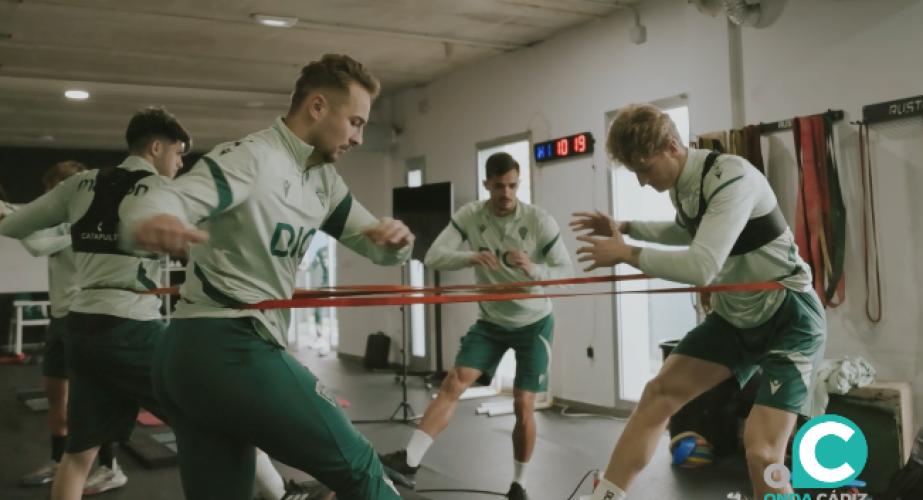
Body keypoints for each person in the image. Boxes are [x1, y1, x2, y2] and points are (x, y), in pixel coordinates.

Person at [120, 54, 412, 500]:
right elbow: (170, 199)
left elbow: (372, 244)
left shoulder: (323, 181)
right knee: (359, 466)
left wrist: (396, 241)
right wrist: (151, 219)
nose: (358, 137)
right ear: (317, 106)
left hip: (191, 360)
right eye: (354, 122)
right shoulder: (254, 158)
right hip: (227, 345)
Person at [571, 103, 826, 500]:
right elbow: (685, 229)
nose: (641, 181)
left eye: (644, 169)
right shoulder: (684, 185)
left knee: (761, 454)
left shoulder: (732, 179)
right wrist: (626, 227)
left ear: (672, 147)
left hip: (788, 317)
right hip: (736, 317)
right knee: (658, 394)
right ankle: (605, 496)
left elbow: (702, 266)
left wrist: (627, 253)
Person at [379, 152, 572, 500]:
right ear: (487, 185)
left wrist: (535, 269)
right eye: (499, 186)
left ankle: (519, 484)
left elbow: (566, 272)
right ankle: (409, 462)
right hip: (492, 321)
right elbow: (434, 256)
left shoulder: (539, 220)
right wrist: (470, 256)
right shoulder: (470, 217)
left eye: (513, 185)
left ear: (519, 183)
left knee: (522, 405)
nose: (507, 193)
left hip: (534, 323)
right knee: (454, 382)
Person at [13, 161, 129, 495]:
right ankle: (57, 458)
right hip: (59, 316)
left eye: (57, 192)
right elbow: (36, 241)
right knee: (56, 396)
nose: (53, 199)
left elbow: (39, 244)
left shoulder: (96, 219)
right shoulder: (59, 225)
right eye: (50, 193)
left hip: (88, 316)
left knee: (91, 399)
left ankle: (109, 467)